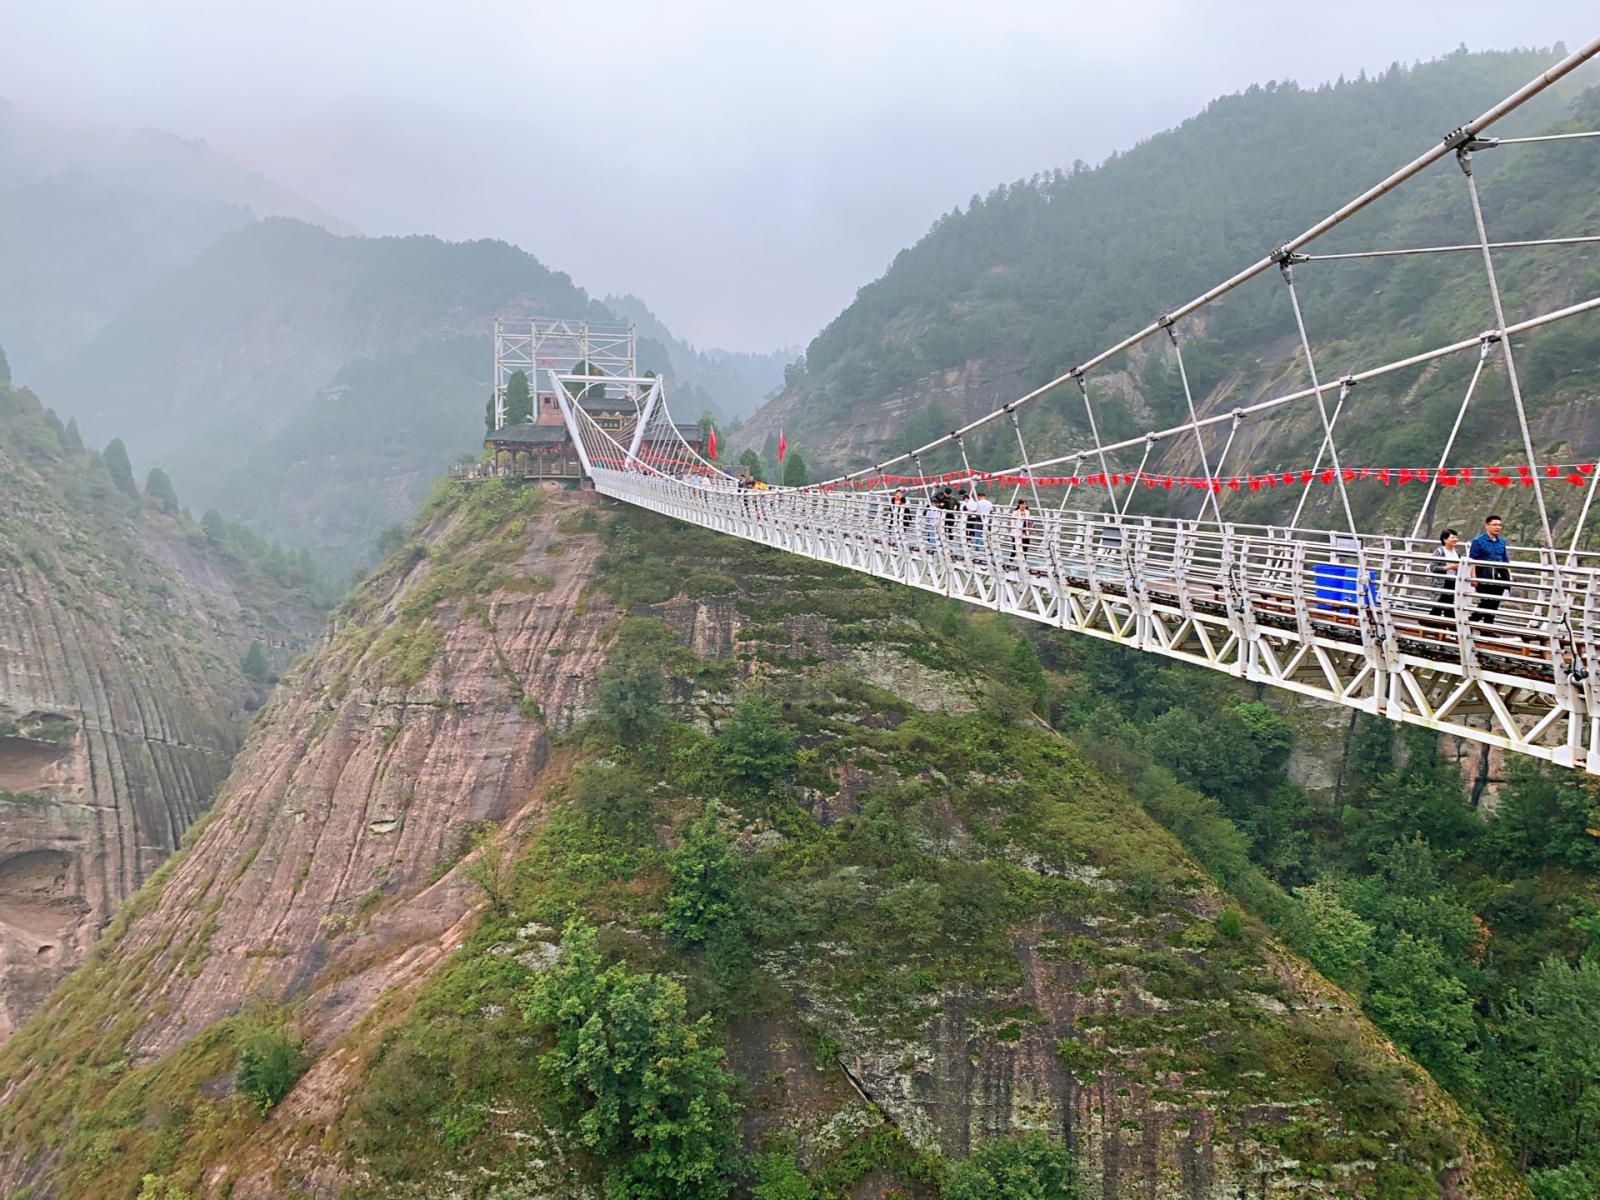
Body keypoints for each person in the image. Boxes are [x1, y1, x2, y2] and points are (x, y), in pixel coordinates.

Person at [1469, 513, 1511, 625]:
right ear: (1487, 526)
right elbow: (1472, 559)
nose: (1497, 527)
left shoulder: (1501, 542)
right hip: (1484, 574)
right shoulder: (1478, 541)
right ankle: (1472, 621)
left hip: (1499, 574)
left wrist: (1509, 576)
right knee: (1486, 601)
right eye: (1495, 525)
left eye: (1500, 525)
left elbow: (1505, 559)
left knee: (1495, 602)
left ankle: (1487, 627)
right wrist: (1473, 577)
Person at [1428, 528, 1460, 625]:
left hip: (1453, 581)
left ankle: (1443, 626)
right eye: (1452, 537)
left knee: (1448, 605)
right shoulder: (1439, 552)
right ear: (1445, 539)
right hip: (1441, 582)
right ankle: (1445, 626)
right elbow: (1433, 567)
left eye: (1456, 537)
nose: (1455, 539)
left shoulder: (1457, 553)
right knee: (1439, 604)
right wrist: (1449, 567)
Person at [972, 488, 993, 553]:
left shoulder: (978, 503)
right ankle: (989, 548)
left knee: (977, 535)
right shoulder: (989, 502)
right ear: (984, 496)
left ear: (979, 497)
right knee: (988, 535)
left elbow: (974, 510)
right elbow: (991, 510)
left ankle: (977, 549)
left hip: (979, 520)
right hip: (987, 519)